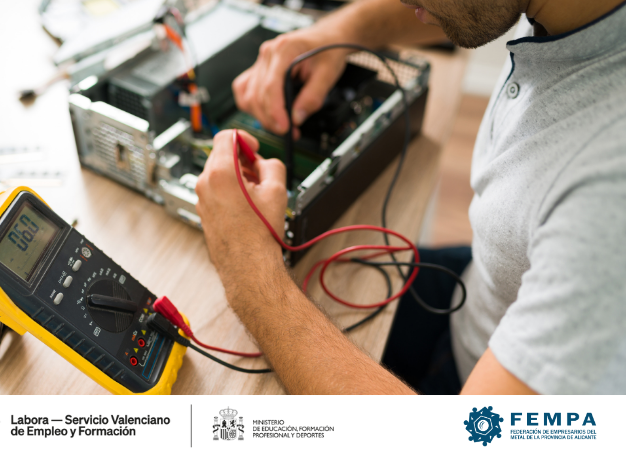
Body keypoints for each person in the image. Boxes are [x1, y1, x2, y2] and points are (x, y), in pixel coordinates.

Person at [193, 0, 626, 394]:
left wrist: (249, 270)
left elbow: (471, 438)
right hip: (483, 290)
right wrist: (336, 32)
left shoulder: (607, 204)